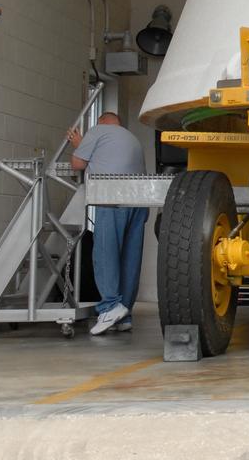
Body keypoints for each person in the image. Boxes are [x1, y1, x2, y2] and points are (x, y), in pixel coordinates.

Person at [69, 112, 148, 335]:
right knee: (129, 259)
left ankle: (110, 306)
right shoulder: (132, 138)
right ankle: (125, 316)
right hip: (139, 201)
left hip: (112, 199)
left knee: (106, 254)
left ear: (101, 122)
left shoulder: (97, 132)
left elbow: (77, 164)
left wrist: (80, 144)